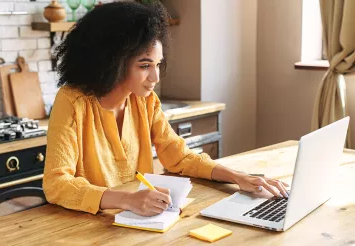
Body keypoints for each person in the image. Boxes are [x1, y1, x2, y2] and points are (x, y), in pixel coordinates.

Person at [43, 1, 289, 217]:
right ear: (111, 61)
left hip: (142, 220)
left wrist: (238, 177)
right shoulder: (72, 101)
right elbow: (57, 184)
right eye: (144, 65)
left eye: (158, 64)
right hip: (89, 226)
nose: (155, 77)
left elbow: (179, 156)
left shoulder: (144, 100)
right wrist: (128, 200)